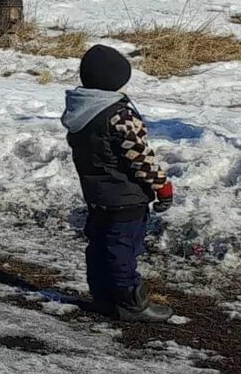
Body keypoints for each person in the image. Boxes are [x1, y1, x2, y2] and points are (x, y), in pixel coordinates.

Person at [62, 43, 178, 324]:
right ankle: (130, 302)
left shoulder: (80, 110)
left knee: (100, 244)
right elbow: (140, 159)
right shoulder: (119, 115)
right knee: (122, 249)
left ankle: (103, 296)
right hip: (125, 197)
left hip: (97, 194)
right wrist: (162, 186)